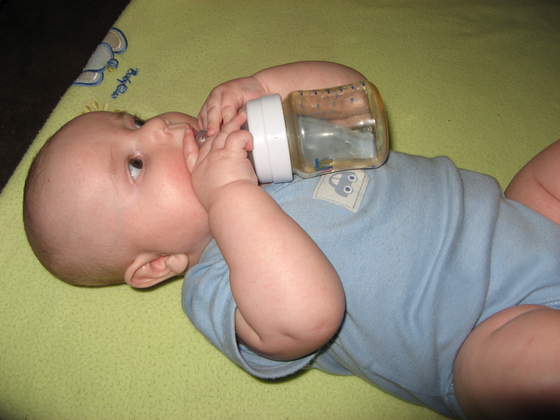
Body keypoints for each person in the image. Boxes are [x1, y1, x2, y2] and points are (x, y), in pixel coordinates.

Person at [23, 61, 560, 419]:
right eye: (136, 164)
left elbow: (355, 107)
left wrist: (262, 87)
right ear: (157, 265)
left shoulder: (265, 145)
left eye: (135, 120)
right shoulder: (221, 281)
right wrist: (230, 193)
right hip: (483, 332)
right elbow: (307, 318)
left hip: (527, 218)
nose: (161, 127)